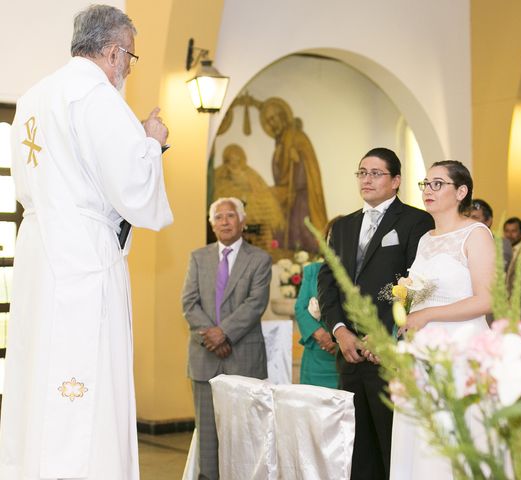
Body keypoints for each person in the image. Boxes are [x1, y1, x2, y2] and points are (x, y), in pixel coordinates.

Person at [0, 5, 173, 479]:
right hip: (82, 256)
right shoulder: (95, 95)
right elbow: (135, 190)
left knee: (39, 369)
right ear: (114, 52)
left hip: (40, 247)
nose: (129, 70)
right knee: (85, 371)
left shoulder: (37, 95)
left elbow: (80, 168)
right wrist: (152, 141)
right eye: (131, 58)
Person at [317, 147, 433, 480]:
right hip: (350, 351)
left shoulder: (415, 221)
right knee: (357, 448)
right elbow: (328, 282)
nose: (366, 179)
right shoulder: (342, 226)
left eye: (375, 173)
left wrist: (383, 333)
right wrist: (339, 330)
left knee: (390, 444)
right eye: (361, 172)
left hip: (388, 353)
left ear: (396, 181)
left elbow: (415, 283)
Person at [390, 160, 495, 480]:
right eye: (426, 183)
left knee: (455, 434)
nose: (428, 190)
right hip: (422, 350)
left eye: (438, 184)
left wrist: (428, 314)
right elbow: (418, 290)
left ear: (461, 191)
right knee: (420, 435)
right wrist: (403, 303)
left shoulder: (477, 234)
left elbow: (485, 299)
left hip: (462, 349)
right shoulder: (426, 238)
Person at [181, 197, 271, 480]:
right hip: (204, 356)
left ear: (242, 222)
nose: (224, 221)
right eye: (218, 217)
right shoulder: (198, 257)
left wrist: (224, 333)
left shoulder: (259, 259)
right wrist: (212, 335)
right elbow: (189, 303)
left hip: (243, 357)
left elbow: (256, 303)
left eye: (230, 216)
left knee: (244, 433)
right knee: (207, 434)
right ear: (212, 224)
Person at [260, 97, 328, 252]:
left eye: (273, 118)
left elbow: (309, 167)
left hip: (301, 195)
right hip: (287, 194)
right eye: (268, 122)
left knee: (303, 231)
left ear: (282, 116)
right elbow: (280, 176)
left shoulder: (297, 137)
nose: (272, 124)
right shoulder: (280, 143)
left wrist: (299, 158)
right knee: (283, 232)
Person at [294, 217, 342, 388]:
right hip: (316, 355)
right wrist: (320, 334)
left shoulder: (357, 273)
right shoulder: (313, 271)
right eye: (332, 237)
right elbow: (300, 308)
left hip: (344, 356)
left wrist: (338, 339)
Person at [469, 198, 513, 271]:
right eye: (466, 217)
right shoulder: (459, 242)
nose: (469, 221)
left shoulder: (502, 245)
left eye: (474, 217)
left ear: (488, 221)